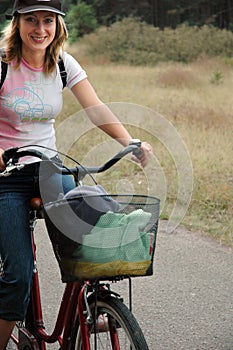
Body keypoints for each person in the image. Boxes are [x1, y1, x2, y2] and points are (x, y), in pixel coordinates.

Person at [0, 0, 153, 348]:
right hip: (7, 176)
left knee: (92, 241)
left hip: (50, 169)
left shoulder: (63, 65)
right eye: (32, 20)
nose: (40, 29)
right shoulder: (3, 65)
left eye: (48, 21)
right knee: (18, 276)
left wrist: (129, 141)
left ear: (58, 26)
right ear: (17, 23)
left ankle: (92, 305)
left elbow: (96, 109)